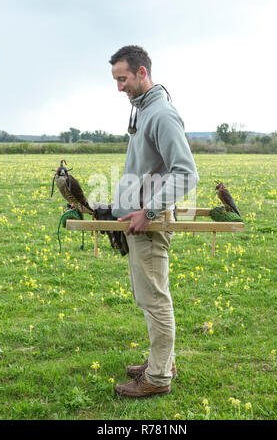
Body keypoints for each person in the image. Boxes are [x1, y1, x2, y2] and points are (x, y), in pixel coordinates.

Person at [109, 45, 199, 397]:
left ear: (142, 73)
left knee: (155, 299)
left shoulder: (161, 114)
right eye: (115, 80)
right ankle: (162, 361)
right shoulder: (143, 110)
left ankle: (158, 378)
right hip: (138, 221)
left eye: (123, 79)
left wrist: (148, 211)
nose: (119, 87)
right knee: (148, 297)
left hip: (150, 224)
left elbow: (186, 174)